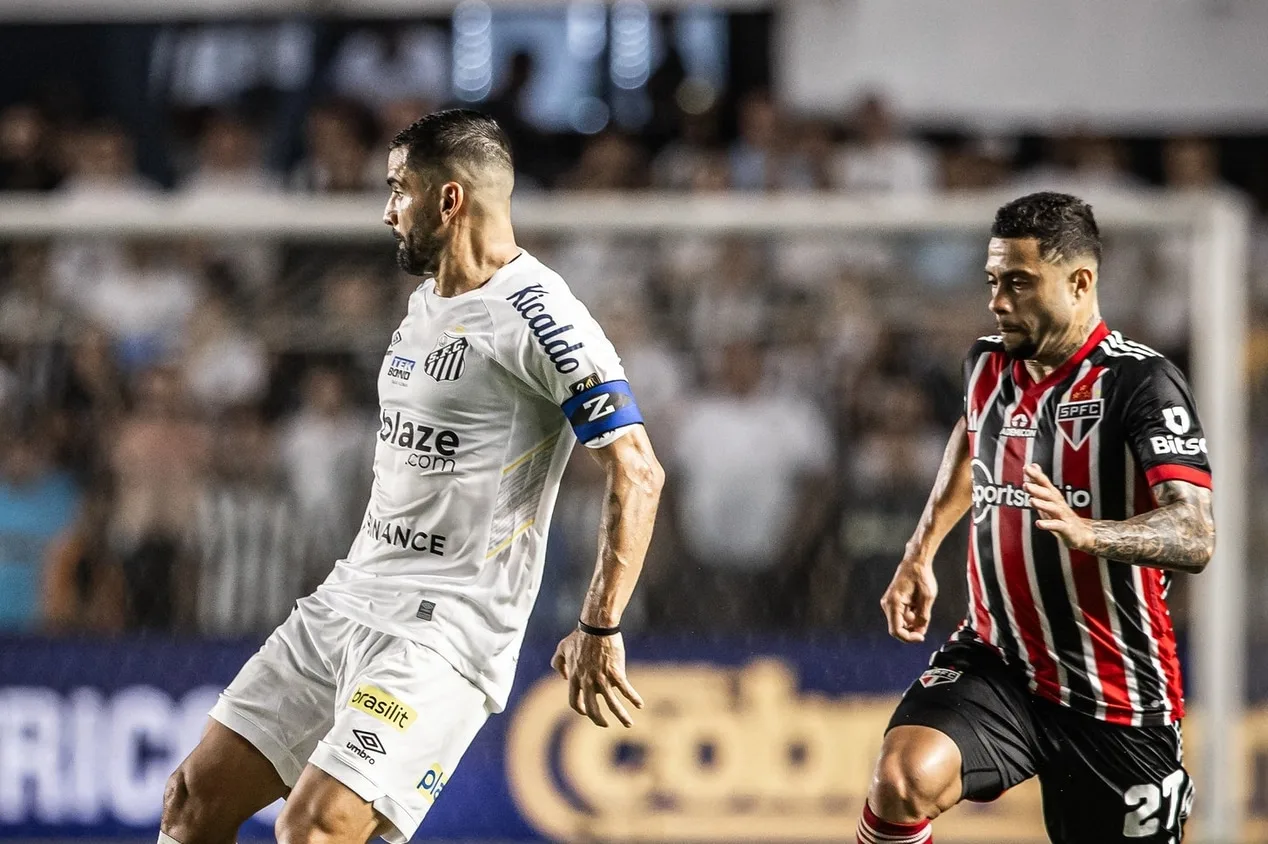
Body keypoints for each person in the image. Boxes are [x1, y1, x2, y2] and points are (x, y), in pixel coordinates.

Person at [159, 109, 665, 844]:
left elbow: (638, 470)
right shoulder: (428, 301)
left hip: (443, 630)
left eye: (399, 190)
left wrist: (600, 624)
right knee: (193, 799)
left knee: (317, 827)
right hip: (350, 596)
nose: (387, 211)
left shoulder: (540, 315)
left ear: (449, 200)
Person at [856, 192, 1215, 844]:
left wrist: (1091, 534)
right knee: (901, 777)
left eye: (1019, 283)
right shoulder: (988, 362)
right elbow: (974, 439)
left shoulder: (1142, 383)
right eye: (994, 281)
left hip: (1117, 692)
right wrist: (921, 548)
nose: (998, 301)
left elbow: (1195, 532)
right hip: (1000, 659)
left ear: (1080, 282)